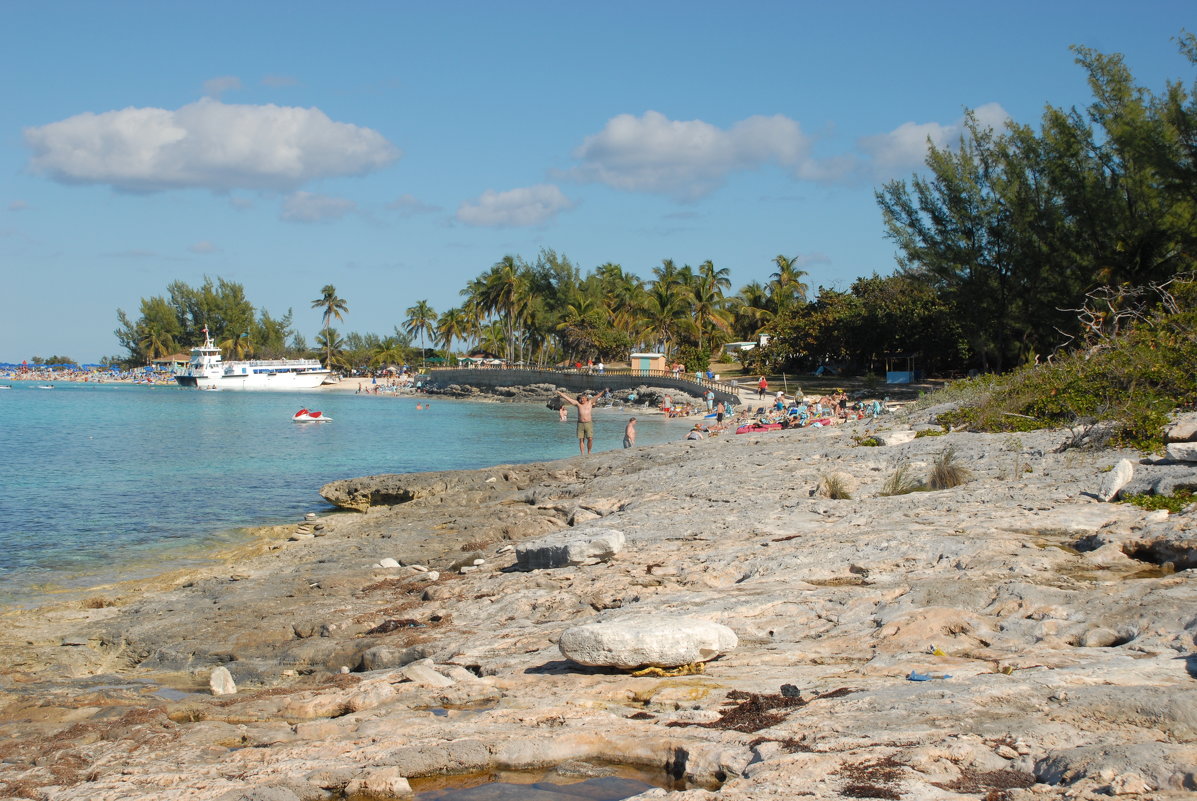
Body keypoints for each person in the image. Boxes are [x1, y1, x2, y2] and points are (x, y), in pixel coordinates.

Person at [557, 390, 595, 455]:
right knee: (581, 439)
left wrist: (604, 391)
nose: (582, 400)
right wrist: (561, 394)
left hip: (588, 423)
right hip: (580, 423)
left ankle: (589, 452)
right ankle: (582, 454)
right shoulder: (578, 404)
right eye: (580, 399)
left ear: (586, 399)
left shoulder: (590, 403)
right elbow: (568, 399)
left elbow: (596, 398)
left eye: (583, 398)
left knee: (590, 438)